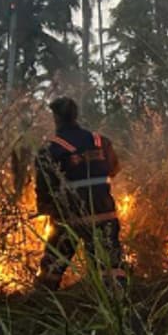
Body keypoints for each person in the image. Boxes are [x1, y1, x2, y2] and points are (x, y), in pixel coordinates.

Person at [34, 97, 127, 290]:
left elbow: (44, 187)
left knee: (54, 265)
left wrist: (45, 208)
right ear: (76, 115)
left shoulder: (51, 149)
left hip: (70, 216)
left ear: (56, 118)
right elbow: (113, 170)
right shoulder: (101, 141)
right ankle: (118, 306)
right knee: (109, 266)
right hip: (104, 212)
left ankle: (44, 306)